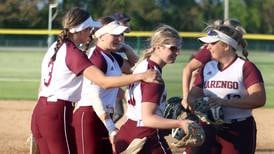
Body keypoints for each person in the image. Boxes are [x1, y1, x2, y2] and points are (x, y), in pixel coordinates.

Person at [31, 7, 158, 154]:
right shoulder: (73, 52)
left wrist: (125, 49)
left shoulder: (56, 46)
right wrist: (141, 76)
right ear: (81, 29)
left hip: (42, 110)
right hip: (58, 112)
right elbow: (103, 81)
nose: (92, 31)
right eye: (89, 28)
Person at [186, 24, 266, 154]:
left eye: (212, 43)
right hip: (209, 128)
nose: (208, 47)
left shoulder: (245, 67)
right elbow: (193, 96)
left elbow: (259, 98)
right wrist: (200, 107)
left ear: (226, 46)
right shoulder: (207, 67)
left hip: (238, 129)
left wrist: (224, 102)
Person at [114, 25, 193, 153]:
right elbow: (148, 118)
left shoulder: (143, 64)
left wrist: (126, 48)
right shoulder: (154, 78)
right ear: (157, 47)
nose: (177, 52)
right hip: (146, 134)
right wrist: (181, 124)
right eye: (172, 48)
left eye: (178, 48)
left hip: (128, 129)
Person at [72, 16, 137, 154]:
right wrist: (110, 127)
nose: (120, 38)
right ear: (100, 36)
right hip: (90, 114)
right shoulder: (97, 58)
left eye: (122, 35)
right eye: (115, 35)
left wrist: (124, 47)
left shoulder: (111, 56)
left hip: (102, 114)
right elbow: (94, 95)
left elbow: (135, 67)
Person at [181, 18, 245, 109]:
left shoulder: (230, 51)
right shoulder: (209, 50)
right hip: (204, 89)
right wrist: (186, 97)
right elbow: (189, 69)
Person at [111, 12, 138, 123]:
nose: (127, 24)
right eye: (124, 21)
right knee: (116, 113)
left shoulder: (121, 43)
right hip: (104, 86)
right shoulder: (111, 43)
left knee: (117, 113)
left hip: (112, 85)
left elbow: (133, 66)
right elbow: (132, 69)